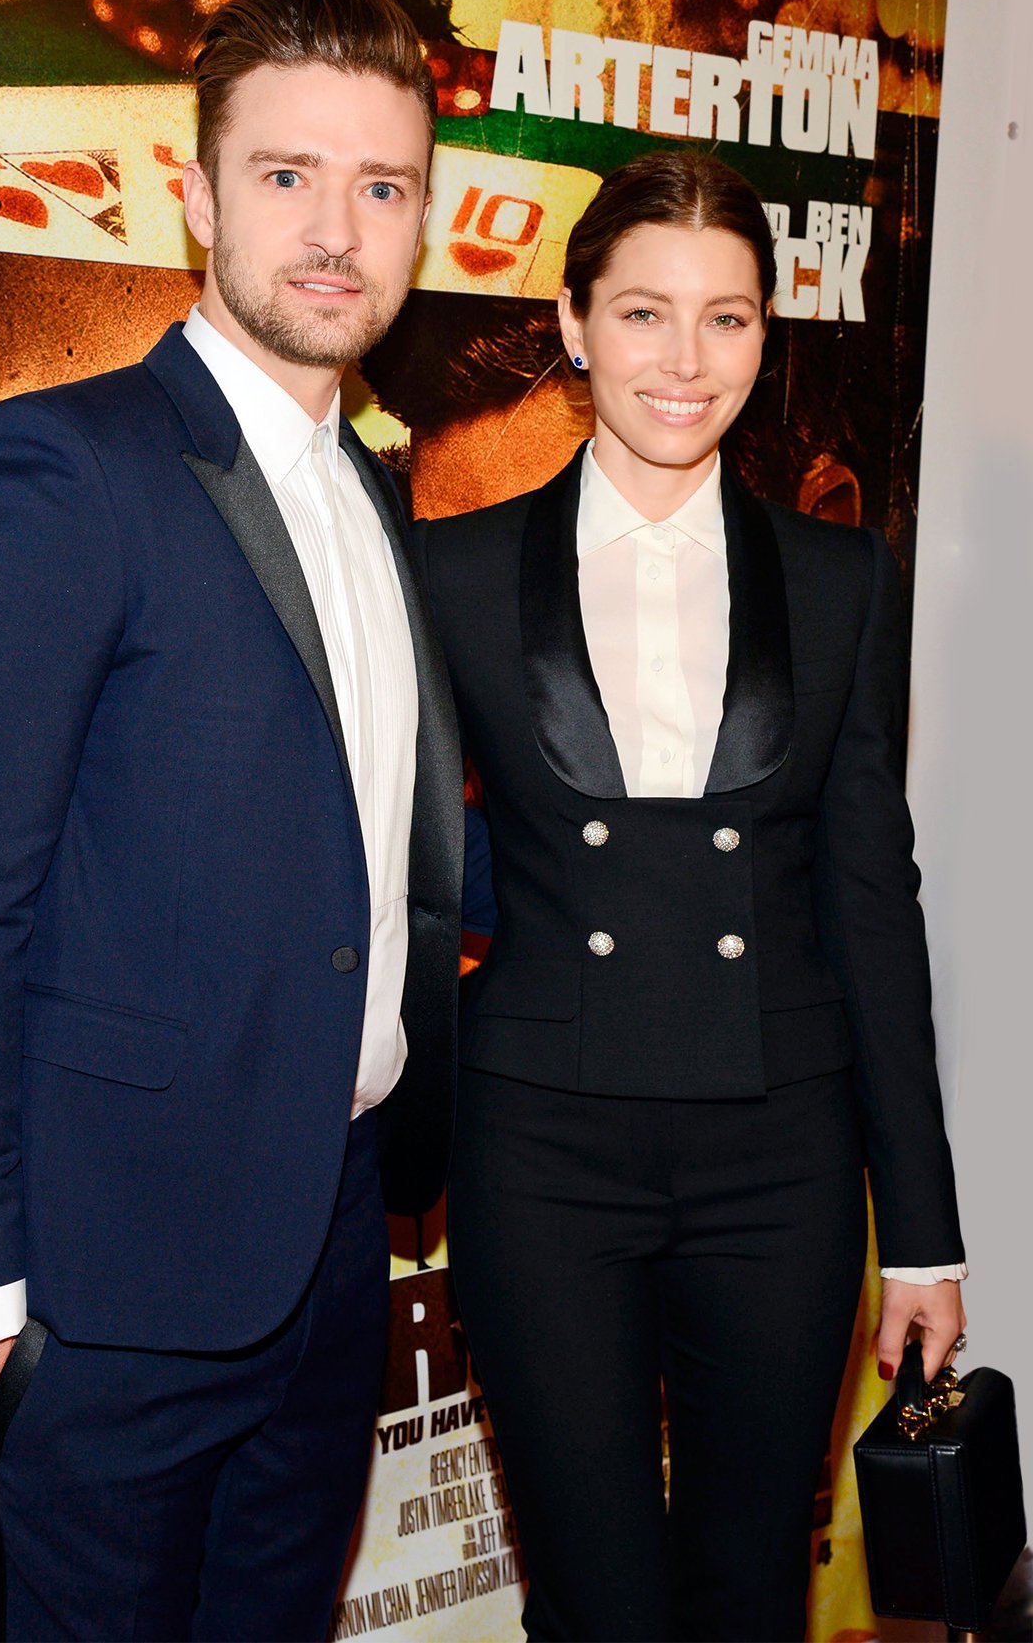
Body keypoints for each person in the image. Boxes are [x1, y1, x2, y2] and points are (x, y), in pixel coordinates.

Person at [0, 0, 462, 1638]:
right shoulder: (63, 465)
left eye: (382, 185)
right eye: (286, 175)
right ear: (195, 196)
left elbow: (372, 853)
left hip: (331, 1256)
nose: (336, 229)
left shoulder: (374, 494)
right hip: (102, 1295)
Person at [415, 149, 967, 1643]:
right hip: (544, 1150)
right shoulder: (452, 571)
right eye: (645, 312)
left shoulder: (842, 578)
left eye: (727, 318)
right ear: (574, 322)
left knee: (750, 1594)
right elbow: (391, 866)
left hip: (780, 1158)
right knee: (593, 1599)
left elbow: (873, 900)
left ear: (764, 338)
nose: (685, 359)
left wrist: (922, 1229)